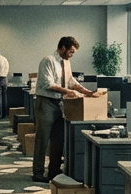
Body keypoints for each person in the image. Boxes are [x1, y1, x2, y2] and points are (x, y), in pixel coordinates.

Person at [32, 36, 97, 183]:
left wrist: (88, 92)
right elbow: (47, 84)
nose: (72, 54)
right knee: (42, 139)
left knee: (58, 139)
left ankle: (53, 171)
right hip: (46, 102)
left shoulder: (66, 62)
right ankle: (37, 173)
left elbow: (71, 82)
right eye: (71, 51)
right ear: (62, 48)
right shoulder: (48, 60)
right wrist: (67, 92)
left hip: (60, 104)